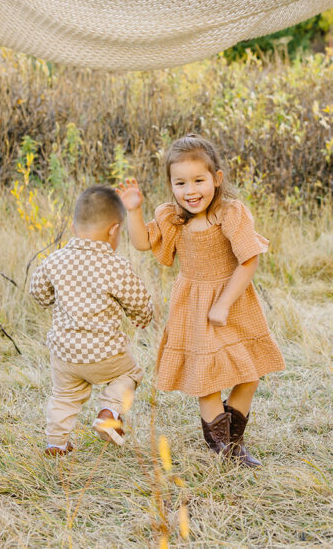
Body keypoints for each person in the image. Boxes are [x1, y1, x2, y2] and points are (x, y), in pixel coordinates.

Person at [118, 134, 284, 467]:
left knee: (248, 375)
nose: (190, 191)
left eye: (198, 180)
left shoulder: (230, 213)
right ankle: (224, 449)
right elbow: (141, 242)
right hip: (193, 305)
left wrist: (223, 303)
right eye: (180, 183)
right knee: (207, 378)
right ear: (170, 185)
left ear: (216, 179)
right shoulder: (172, 217)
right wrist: (133, 210)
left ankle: (235, 442)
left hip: (234, 301)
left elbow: (249, 260)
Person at [28, 186, 155, 455]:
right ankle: (109, 412)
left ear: (73, 227)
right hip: (105, 354)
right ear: (114, 230)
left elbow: (37, 293)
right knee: (130, 373)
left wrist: (54, 301)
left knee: (63, 396)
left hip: (65, 353)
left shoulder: (55, 260)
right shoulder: (116, 266)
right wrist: (142, 318)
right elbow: (139, 302)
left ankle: (57, 443)